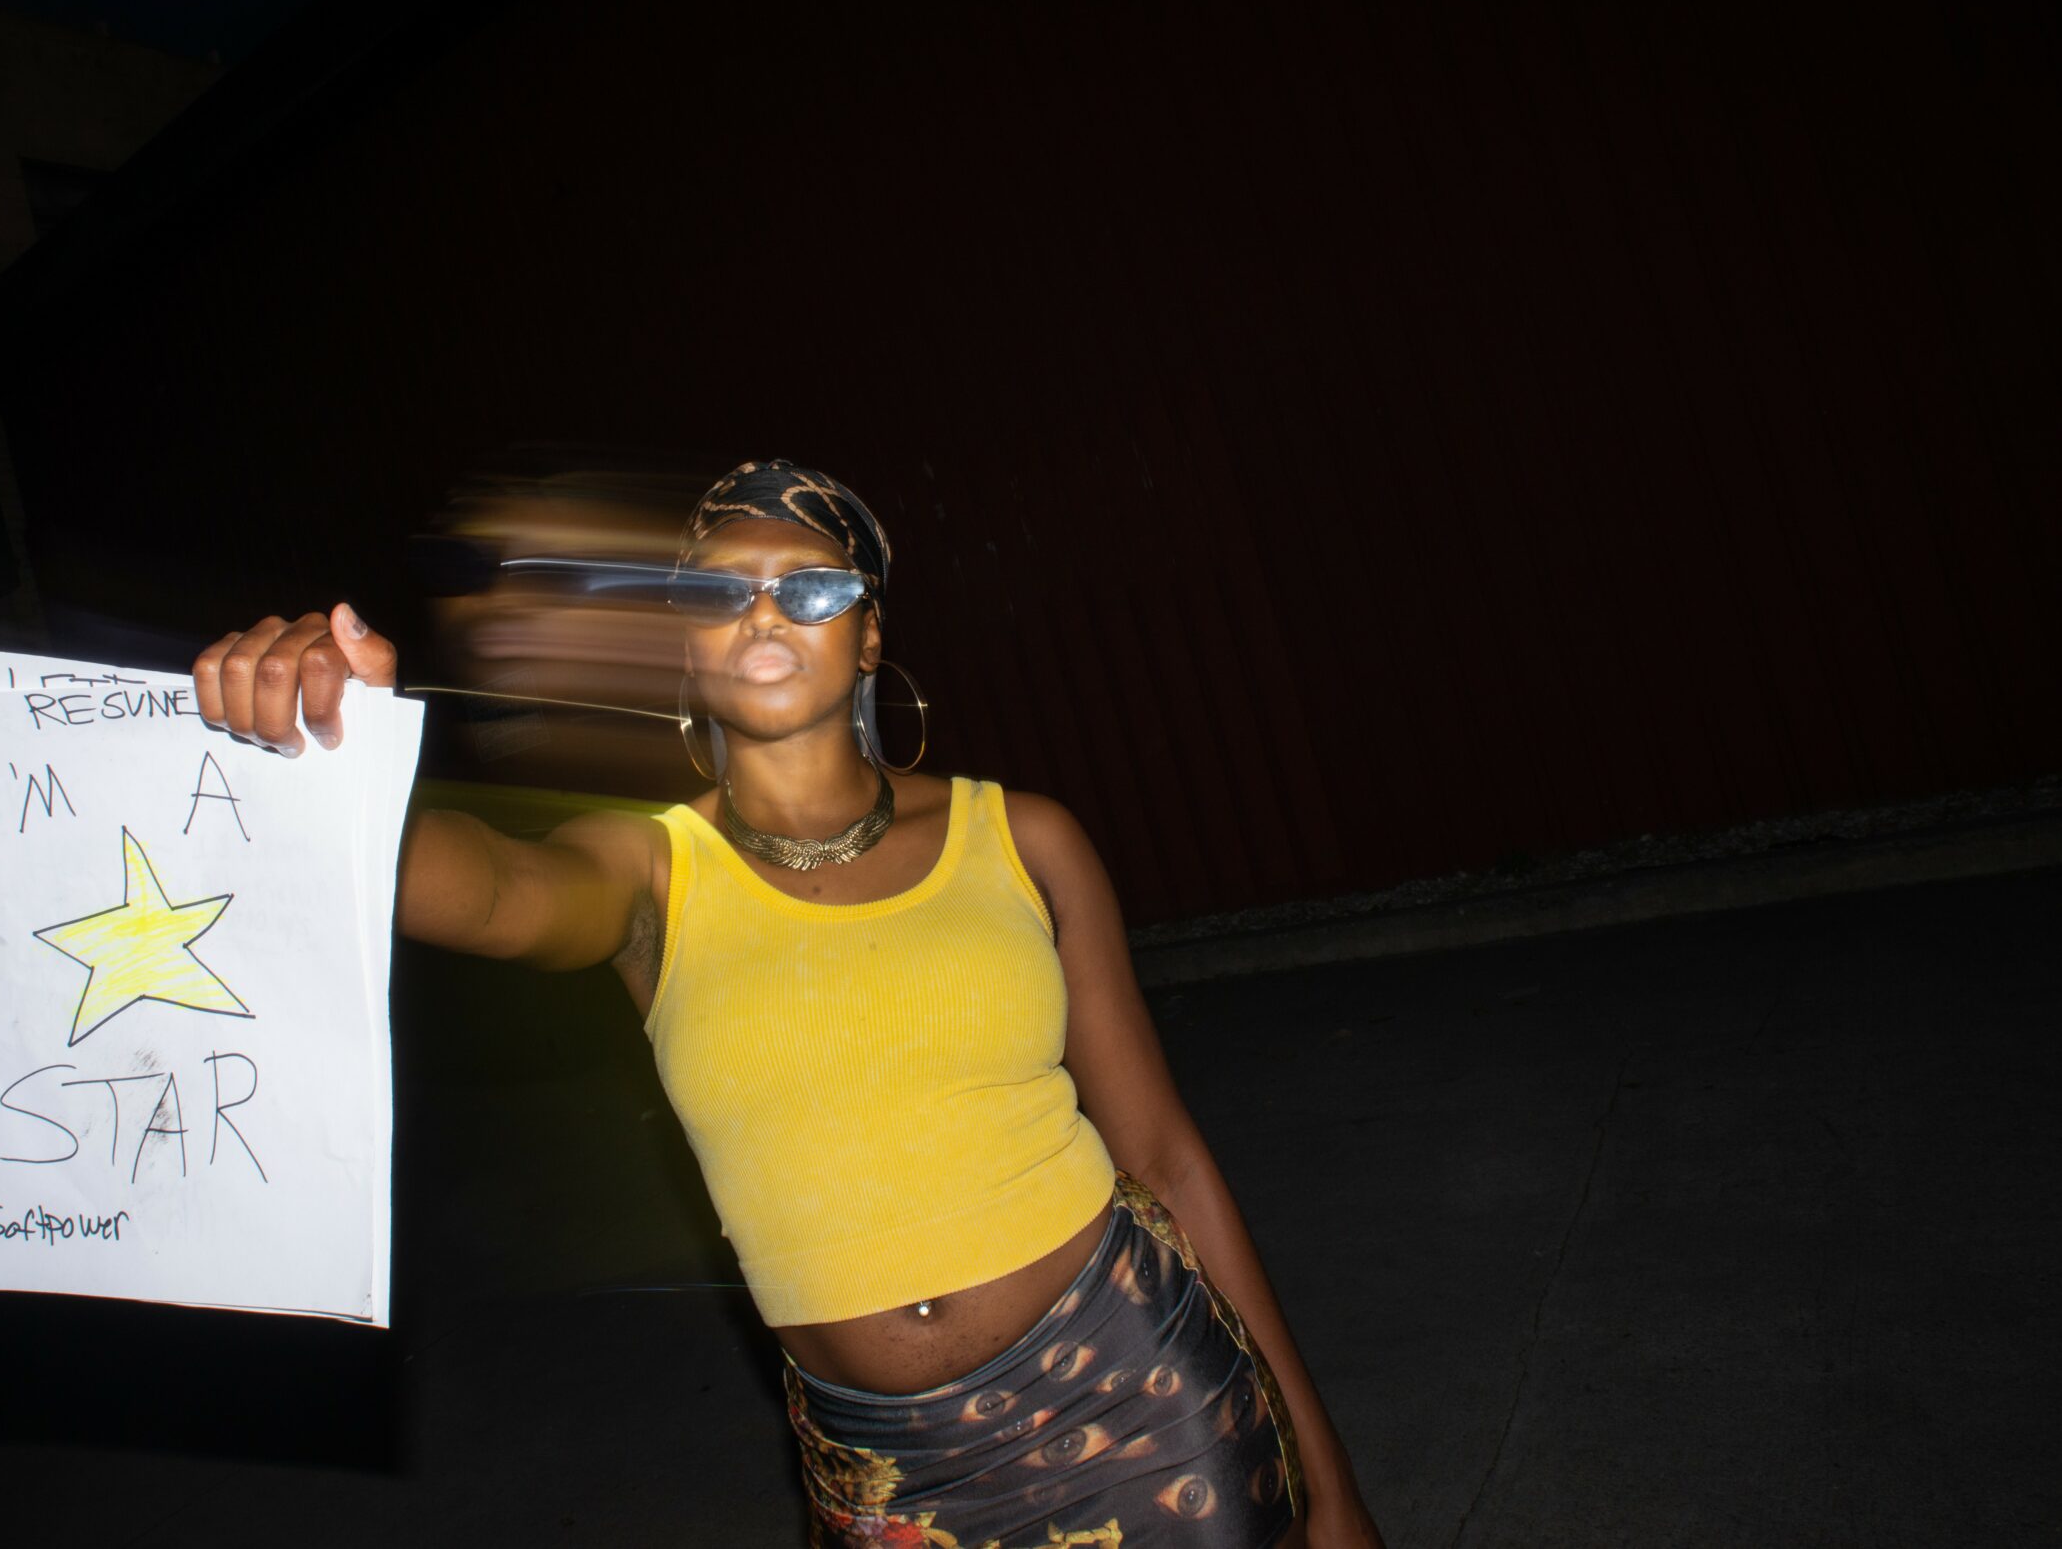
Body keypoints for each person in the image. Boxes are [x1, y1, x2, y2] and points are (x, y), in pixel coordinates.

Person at [194, 461, 1382, 1547]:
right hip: (886, 1475)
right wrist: (334, 759)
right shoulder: (648, 870)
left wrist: (1328, 1489)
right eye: (723, 593)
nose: (763, 613)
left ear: (868, 635)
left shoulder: (1025, 838)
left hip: (1142, 1396)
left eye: (810, 588)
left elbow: (1166, 1161)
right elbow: (494, 888)